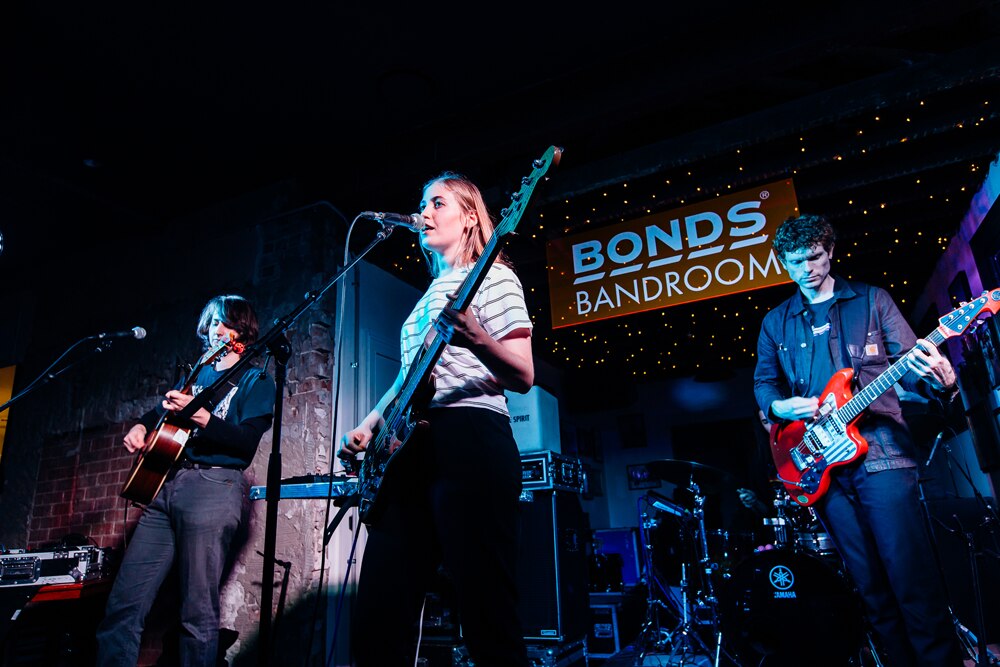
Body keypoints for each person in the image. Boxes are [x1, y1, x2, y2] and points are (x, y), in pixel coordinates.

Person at [338, 171, 534, 667]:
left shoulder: (495, 277)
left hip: (471, 438)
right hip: (412, 451)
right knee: (379, 614)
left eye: (437, 203)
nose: (424, 213)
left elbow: (524, 374)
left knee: (487, 611)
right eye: (422, 204)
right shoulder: (427, 296)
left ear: (471, 216)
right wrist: (369, 423)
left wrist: (477, 339)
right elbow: (408, 378)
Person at [753, 214, 964, 667]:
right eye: (794, 262)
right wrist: (781, 408)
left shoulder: (872, 301)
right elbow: (764, 385)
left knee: (911, 581)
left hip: (883, 457)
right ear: (783, 264)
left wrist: (944, 382)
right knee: (870, 588)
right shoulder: (775, 322)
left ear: (830, 253)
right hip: (820, 467)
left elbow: (913, 365)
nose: (806, 269)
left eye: (813, 258)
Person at [96, 295, 276, 666]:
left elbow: (245, 443)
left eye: (224, 323)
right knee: (124, 604)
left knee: (197, 611)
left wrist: (201, 417)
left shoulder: (256, 380)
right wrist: (142, 425)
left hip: (215, 486)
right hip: (170, 484)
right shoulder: (197, 373)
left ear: (241, 329)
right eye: (211, 324)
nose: (216, 331)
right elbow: (162, 409)